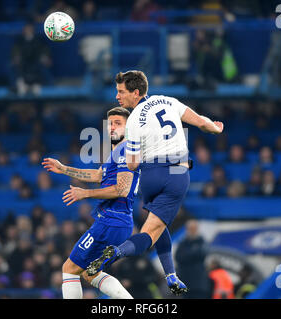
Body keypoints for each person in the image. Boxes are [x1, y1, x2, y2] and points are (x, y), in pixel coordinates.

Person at [86, 70, 224, 296]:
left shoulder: (133, 123)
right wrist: (216, 127)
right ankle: (116, 253)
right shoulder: (168, 101)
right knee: (151, 233)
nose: (118, 96)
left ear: (136, 92)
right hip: (177, 173)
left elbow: (131, 165)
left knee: (157, 225)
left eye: (121, 92)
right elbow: (202, 123)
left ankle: (170, 274)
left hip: (150, 176)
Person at [42, 107, 140, 299]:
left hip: (111, 221)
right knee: (90, 272)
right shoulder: (118, 151)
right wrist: (64, 169)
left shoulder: (125, 149)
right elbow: (97, 175)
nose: (112, 127)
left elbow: (121, 189)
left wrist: (85, 193)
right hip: (118, 222)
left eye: (118, 123)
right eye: (110, 123)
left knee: (70, 269)